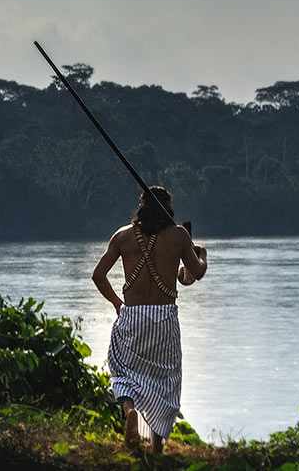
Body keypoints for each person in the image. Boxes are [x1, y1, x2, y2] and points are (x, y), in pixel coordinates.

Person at [92, 186, 207, 453]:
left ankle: (130, 409)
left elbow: (98, 276)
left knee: (122, 371)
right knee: (166, 380)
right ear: (168, 210)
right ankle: (156, 447)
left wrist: (117, 303)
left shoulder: (122, 236)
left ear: (141, 207)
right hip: (164, 319)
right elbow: (195, 274)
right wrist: (202, 255)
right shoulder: (179, 236)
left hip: (131, 316)